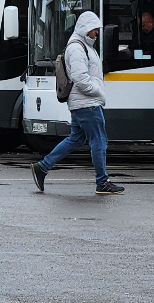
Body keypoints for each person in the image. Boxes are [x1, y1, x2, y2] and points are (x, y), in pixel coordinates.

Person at [31, 11, 125, 195]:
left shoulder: (84, 46)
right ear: (84, 29)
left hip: (82, 102)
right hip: (86, 103)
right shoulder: (77, 48)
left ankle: (42, 167)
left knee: (76, 139)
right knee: (99, 141)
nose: (97, 33)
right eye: (94, 30)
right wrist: (99, 91)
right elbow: (81, 79)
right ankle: (102, 181)